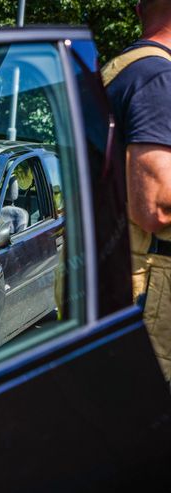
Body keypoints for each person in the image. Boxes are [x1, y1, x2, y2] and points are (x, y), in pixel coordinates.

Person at [103, 0, 171, 380]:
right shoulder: (158, 78)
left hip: (123, 281)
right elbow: (154, 205)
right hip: (152, 295)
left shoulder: (121, 71)